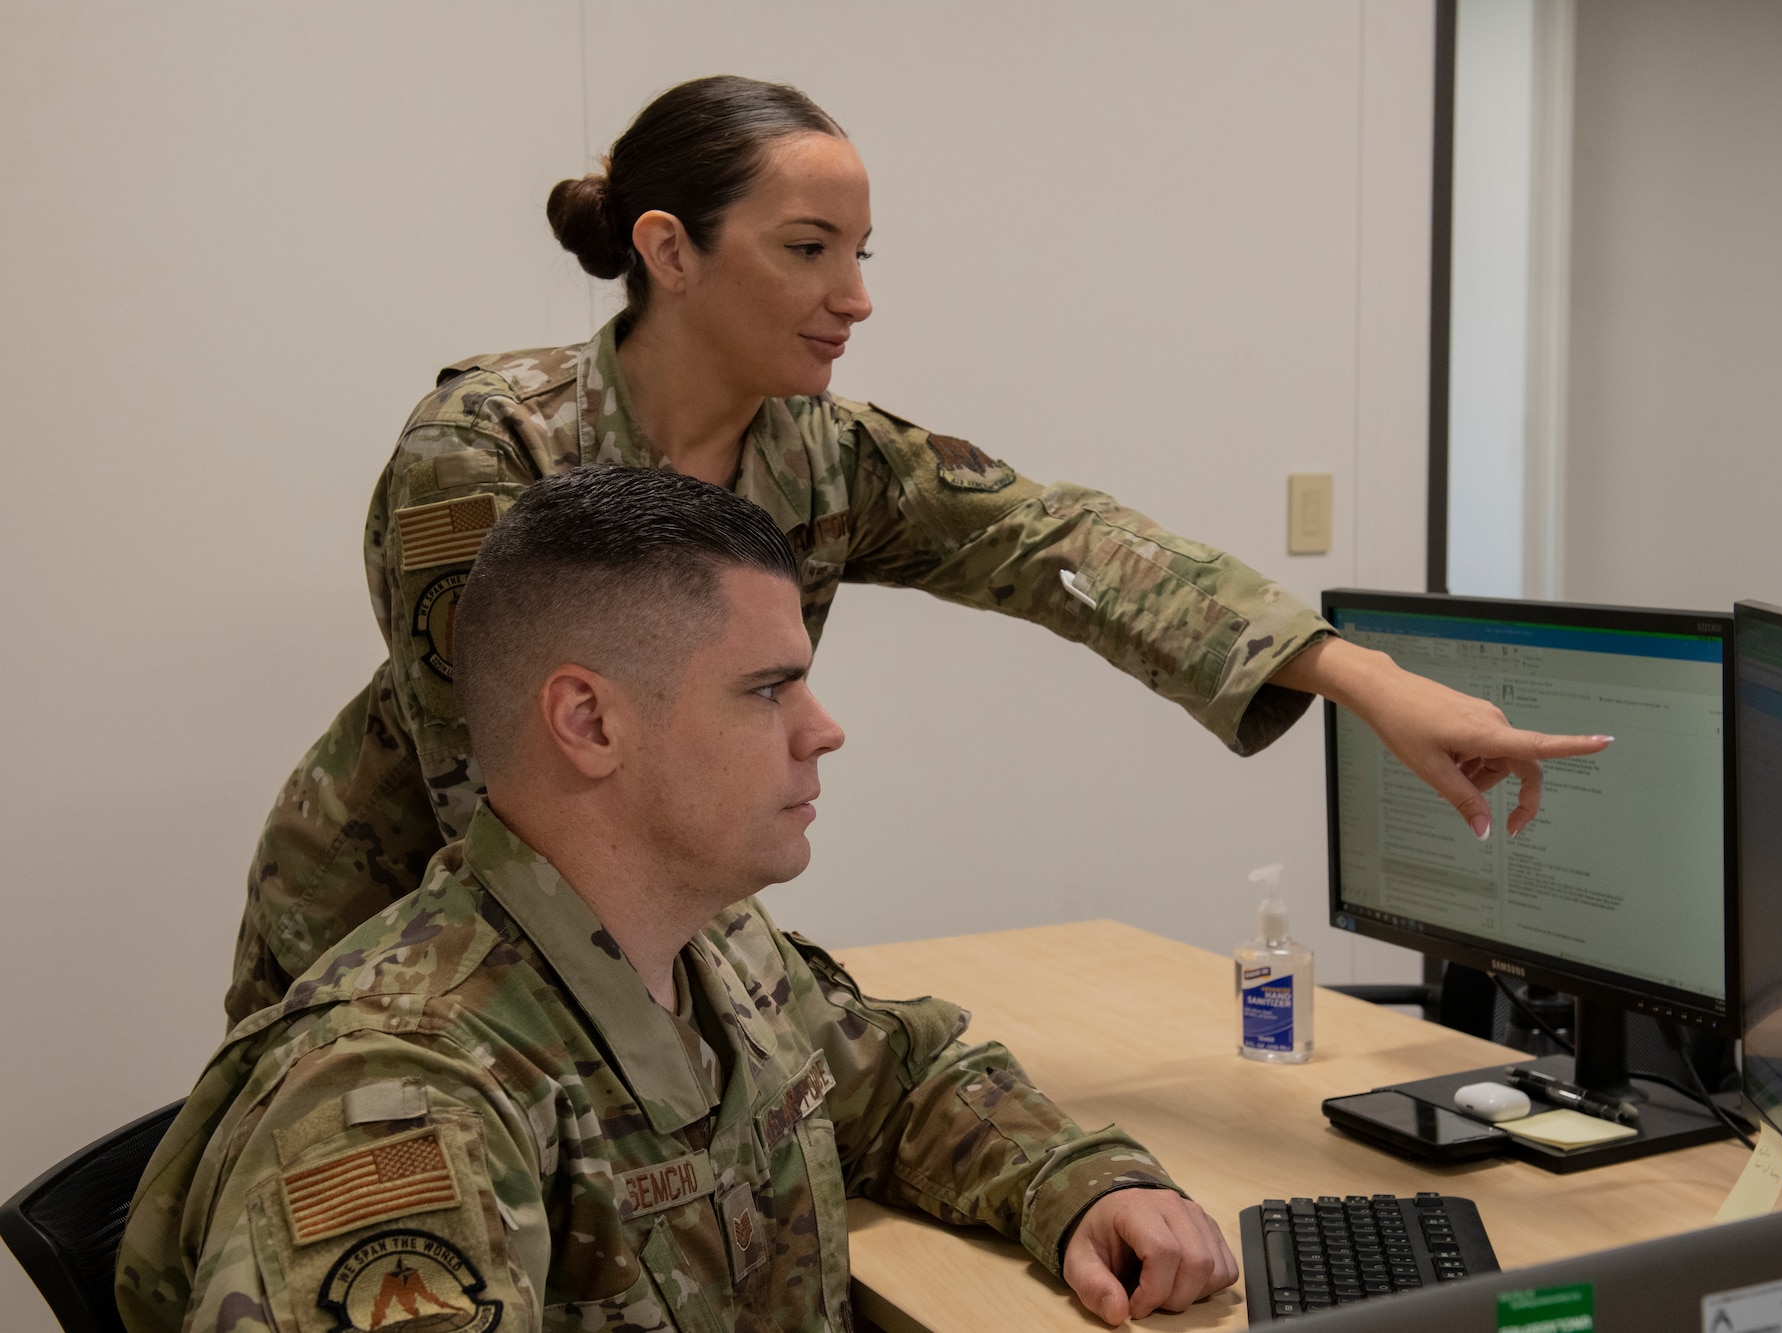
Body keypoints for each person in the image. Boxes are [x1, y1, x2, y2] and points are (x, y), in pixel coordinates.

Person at [227, 74, 1609, 1025]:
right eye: (811, 249)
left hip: (646, 938)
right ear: (670, 248)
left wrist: (1360, 680)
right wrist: (781, 1027)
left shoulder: (817, 454)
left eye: (863, 251)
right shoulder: (487, 451)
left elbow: (1056, 540)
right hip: (402, 945)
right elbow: (513, 811)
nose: (856, 298)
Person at [120, 467, 1238, 1333]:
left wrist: (1084, 1184)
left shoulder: (714, 949)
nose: (823, 728)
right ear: (591, 722)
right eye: (767, 690)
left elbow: (897, 1084)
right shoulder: (407, 1094)